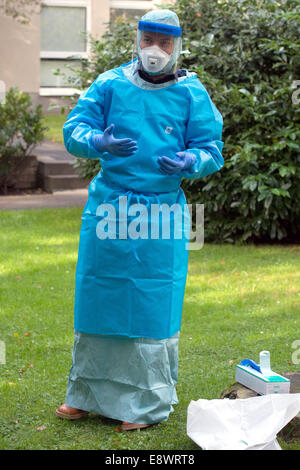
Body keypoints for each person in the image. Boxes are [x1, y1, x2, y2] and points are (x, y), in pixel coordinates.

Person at [56, 9, 224, 431]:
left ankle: (145, 404)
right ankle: (86, 393)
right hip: (110, 205)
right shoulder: (111, 84)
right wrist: (98, 140)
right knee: (99, 294)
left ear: (177, 46)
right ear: (137, 39)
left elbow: (211, 149)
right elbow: (75, 128)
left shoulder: (191, 93)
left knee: (152, 302)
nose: (155, 50)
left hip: (161, 211)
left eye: (165, 43)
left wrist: (191, 160)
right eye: (149, 39)